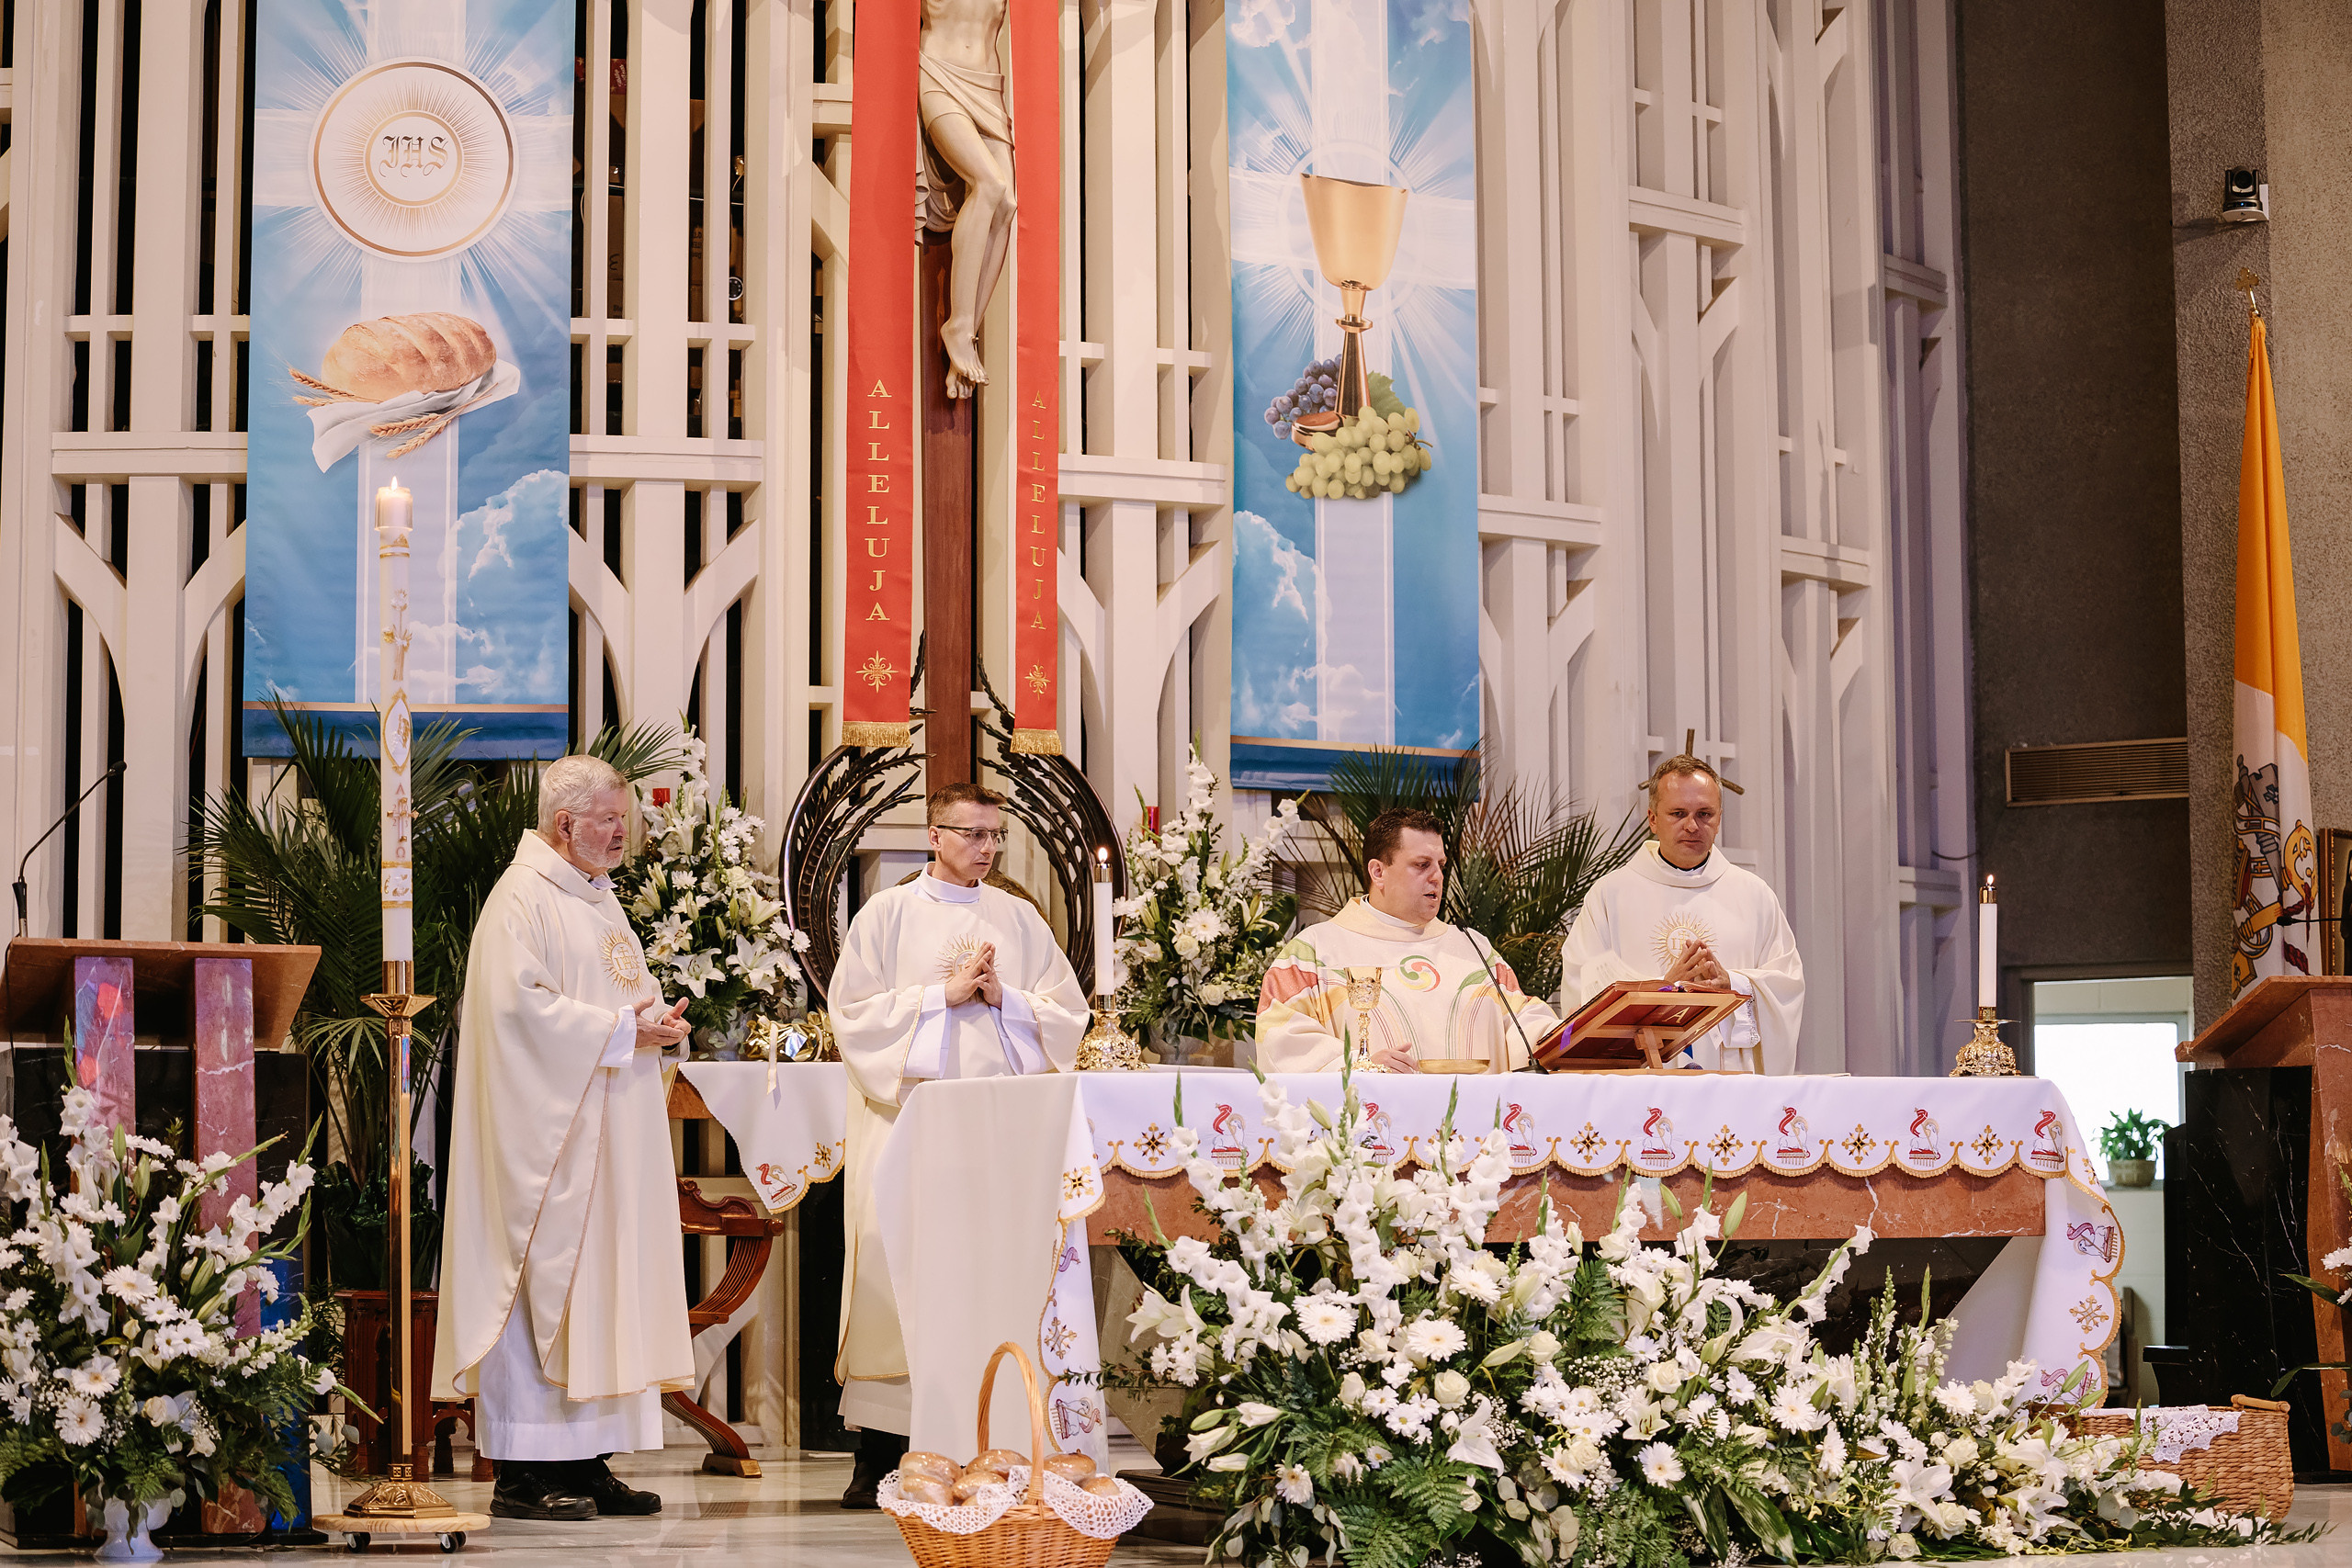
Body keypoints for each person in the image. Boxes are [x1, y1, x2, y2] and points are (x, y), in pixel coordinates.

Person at [433, 756, 694, 1521]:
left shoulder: (598, 899)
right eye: (608, 817)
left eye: (625, 816)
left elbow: (622, 996)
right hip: (545, 1148)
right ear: (563, 823)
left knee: (604, 1288)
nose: (623, 830)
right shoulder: (520, 901)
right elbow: (517, 1017)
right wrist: (622, 1028)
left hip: (608, 1138)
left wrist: (657, 1025)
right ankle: (522, 1472)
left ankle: (589, 1459)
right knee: (542, 1281)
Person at [828, 783, 1091, 1506]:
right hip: (910, 1131)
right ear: (935, 835)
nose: (986, 848)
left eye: (994, 835)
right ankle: (879, 1453)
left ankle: (990, 1445)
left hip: (996, 1142)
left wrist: (1006, 1000)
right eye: (972, 833)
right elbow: (850, 1018)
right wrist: (938, 1000)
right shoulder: (886, 915)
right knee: (900, 1278)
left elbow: (1069, 1015)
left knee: (985, 1282)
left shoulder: (1018, 918)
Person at [1255, 807, 1561, 1073]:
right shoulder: (1314, 953)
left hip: (1476, 1131)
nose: (1438, 877)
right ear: (1378, 872)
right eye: (1421, 865)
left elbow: (1525, 1026)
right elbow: (1280, 1038)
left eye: (1440, 865)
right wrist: (1359, 1066)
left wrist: (1574, 1037)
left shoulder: (1474, 949)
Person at [1559, 754, 1804, 1073]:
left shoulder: (1754, 896)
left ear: (1719, 819)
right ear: (1652, 819)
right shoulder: (1610, 896)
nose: (1692, 825)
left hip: (1731, 1084)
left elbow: (1787, 985)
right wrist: (1662, 991)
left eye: (1705, 814)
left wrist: (1733, 983)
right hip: (1642, 1088)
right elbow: (1582, 991)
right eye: (1678, 813)